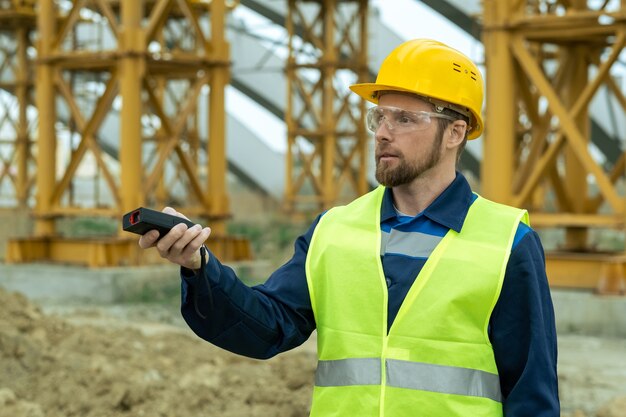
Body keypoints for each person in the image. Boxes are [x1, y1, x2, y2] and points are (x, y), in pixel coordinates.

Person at [138, 39, 559, 416]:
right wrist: (199, 266)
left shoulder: (507, 242)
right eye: (380, 118)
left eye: (405, 119)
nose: (383, 134)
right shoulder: (334, 231)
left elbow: (532, 393)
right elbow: (266, 328)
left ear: (455, 132)